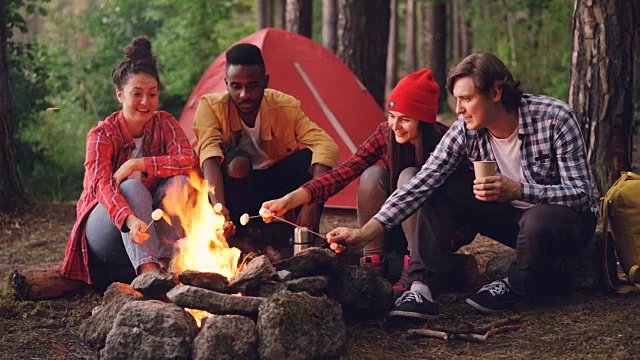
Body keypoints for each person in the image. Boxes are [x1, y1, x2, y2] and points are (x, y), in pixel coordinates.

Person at [325, 52, 599, 320]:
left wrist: (519, 190)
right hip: (510, 220)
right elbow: (422, 182)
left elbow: (583, 194)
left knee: (538, 217)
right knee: (438, 184)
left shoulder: (554, 117)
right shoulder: (466, 128)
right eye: (457, 100)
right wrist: (365, 233)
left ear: (495, 92)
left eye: (466, 99)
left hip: (562, 222)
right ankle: (422, 287)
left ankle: (516, 285)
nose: (458, 109)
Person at [262, 68, 474, 294]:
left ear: (424, 121)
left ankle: (415, 267)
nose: (395, 125)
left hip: (435, 234)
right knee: (372, 175)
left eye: (405, 119)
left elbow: (466, 207)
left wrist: (446, 244)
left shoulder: (445, 142)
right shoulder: (386, 134)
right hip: (390, 226)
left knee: (409, 176)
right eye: (392, 116)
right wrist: (290, 199)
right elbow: (346, 171)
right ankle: (374, 260)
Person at [60, 36, 199, 290]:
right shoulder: (102, 134)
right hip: (111, 230)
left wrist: (139, 164)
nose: (145, 102)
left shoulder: (165, 123)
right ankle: (149, 275)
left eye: (152, 94)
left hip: (154, 231)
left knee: (181, 181)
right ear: (119, 95)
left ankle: (174, 266)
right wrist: (130, 219)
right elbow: (100, 186)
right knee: (132, 189)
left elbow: (188, 160)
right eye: (137, 94)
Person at [192, 43, 339, 241]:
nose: (244, 95)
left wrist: (311, 202)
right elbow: (208, 155)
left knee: (313, 158)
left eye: (252, 85)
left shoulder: (285, 106)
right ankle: (237, 236)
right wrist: (218, 207)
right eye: (236, 86)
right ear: (226, 83)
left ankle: (304, 233)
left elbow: (326, 145)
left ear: (265, 82)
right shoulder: (211, 107)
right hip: (236, 189)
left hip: (276, 190)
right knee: (238, 162)